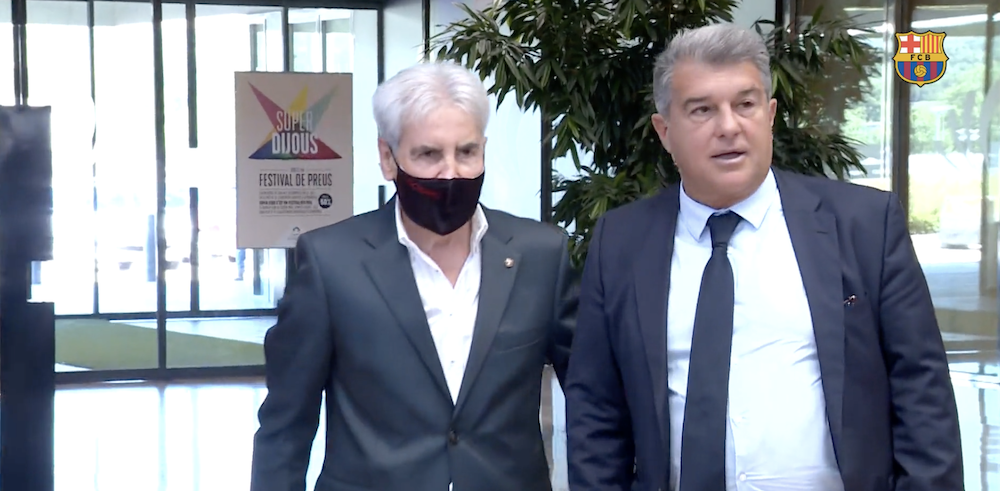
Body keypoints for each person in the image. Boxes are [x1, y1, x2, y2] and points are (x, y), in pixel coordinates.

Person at [564, 23, 963, 491]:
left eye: (745, 104)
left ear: (770, 115)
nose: (729, 126)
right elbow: (596, 409)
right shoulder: (622, 242)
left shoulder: (864, 225)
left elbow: (922, 392)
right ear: (664, 131)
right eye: (702, 110)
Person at [249, 61, 577, 491]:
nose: (451, 173)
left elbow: (593, 400)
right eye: (428, 155)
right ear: (388, 158)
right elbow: (286, 426)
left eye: (466, 152)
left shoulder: (542, 255)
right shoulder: (331, 263)